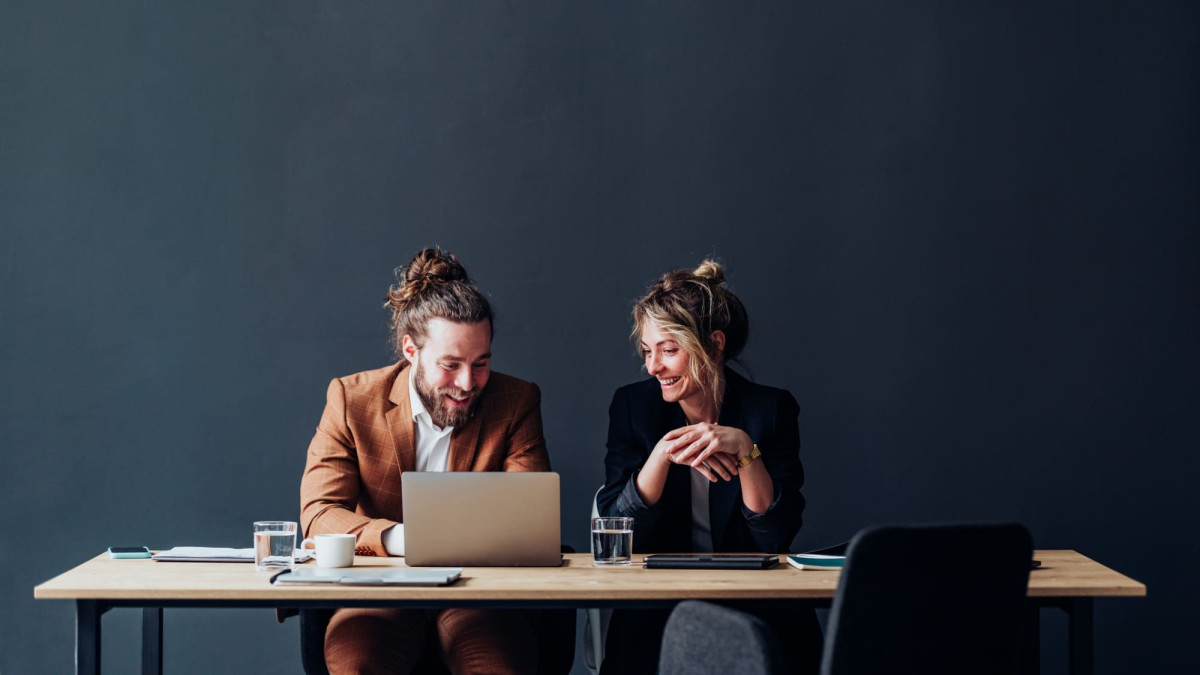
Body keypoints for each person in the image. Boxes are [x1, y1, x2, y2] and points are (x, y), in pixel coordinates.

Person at [300, 248, 549, 675]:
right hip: (377, 591)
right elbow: (320, 515)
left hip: (478, 593)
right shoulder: (351, 398)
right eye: (450, 365)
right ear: (410, 349)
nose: (468, 383)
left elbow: (529, 519)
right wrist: (401, 539)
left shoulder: (516, 400)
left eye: (481, 363)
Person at [596, 260, 823, 675]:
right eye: (648, 351)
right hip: (659, 603)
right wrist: (661, 455)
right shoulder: (634, 408)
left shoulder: (769, 411)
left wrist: (745, 450)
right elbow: (617, 530)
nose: (653, 367)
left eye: (669, 350)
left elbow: (775, 539)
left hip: (751, 598)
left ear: (714, 345)